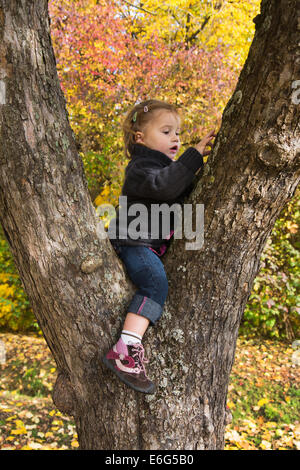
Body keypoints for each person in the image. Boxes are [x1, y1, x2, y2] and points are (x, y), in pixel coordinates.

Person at [103, 99, 216, 394]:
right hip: (132, 241)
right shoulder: (141, 168)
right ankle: (126, 349)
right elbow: (164, 186)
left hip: (146, 245)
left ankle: (129, 345)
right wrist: (192, 158)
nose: (176, 138)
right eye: (166, 131)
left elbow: (177, 187)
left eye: (177, 132)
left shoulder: (165, 169)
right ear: (140, 138)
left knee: (157, 283)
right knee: (155, 284)